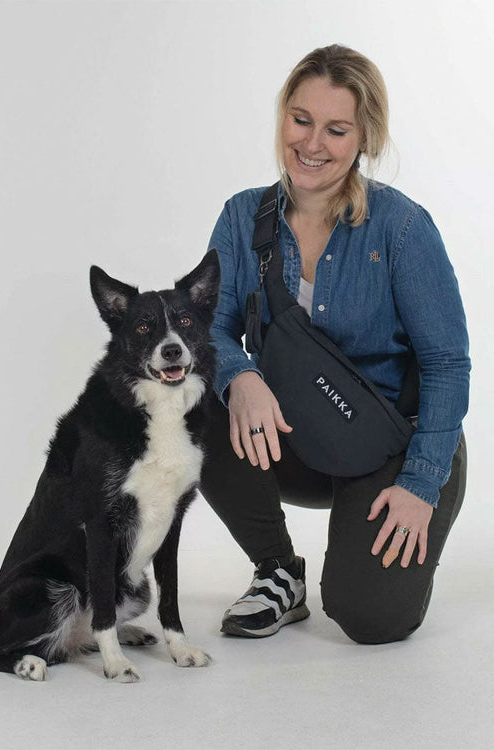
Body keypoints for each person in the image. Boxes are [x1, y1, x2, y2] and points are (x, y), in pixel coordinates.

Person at [199, 44, 470, 645]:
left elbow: (448, 364)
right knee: (186, 396)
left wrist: (422, 484)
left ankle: (391, 531)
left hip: (393, 446)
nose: (312, 143)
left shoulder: (401, 227)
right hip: (294, 437)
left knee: (371, 618)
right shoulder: (242, 218)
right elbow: (206, 328)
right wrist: (238, 377)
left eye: (336, 128)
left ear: (364, 138)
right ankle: (277, 571)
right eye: (301, 119)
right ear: (281, 118)